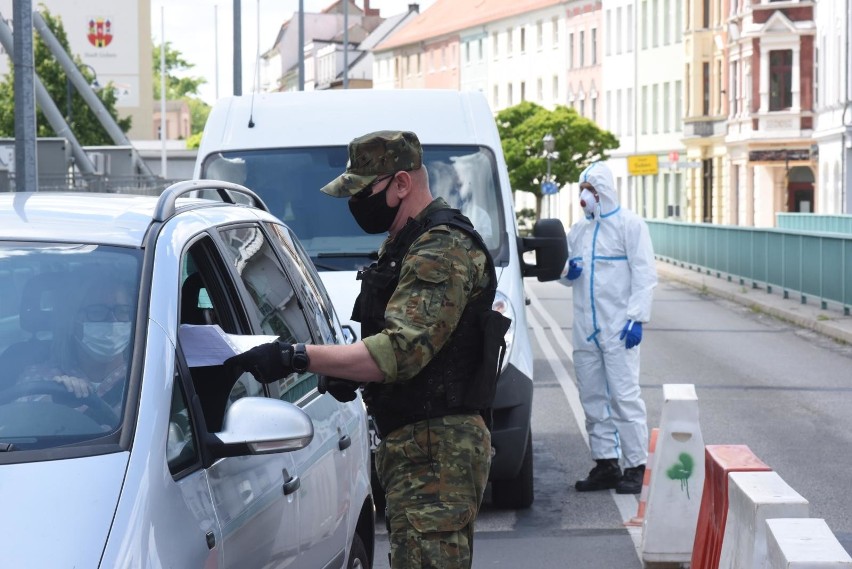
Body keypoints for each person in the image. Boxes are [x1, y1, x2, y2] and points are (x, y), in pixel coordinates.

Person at [226, 130, 509, 569]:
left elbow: (400, 350)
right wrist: (347, 370)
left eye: (363, 191)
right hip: (418, 444)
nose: (355, 203)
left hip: (437, 452)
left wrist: (296, 356)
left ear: (401, 183)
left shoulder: (441, 248)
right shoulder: (408, 242)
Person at [563, 161, 658, 495]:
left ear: (603, 192)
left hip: (619, 330)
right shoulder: (579, 231)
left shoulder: (630, 226)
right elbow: (564, 270)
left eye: (590, 191)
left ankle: (636, 465)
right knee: (591, 398)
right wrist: (567, 271)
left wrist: (636, 319)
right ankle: (606, 463)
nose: (584, 197)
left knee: (625, 398)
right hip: (585, 330)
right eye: (582, 191)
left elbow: (645, 274)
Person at [17, 272, 133, 425]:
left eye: (123, 311)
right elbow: (16, 426)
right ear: (71, 320)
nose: (113, 321)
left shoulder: (144, 378)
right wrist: (51, 401)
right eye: (97, 312)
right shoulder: (41, 378)